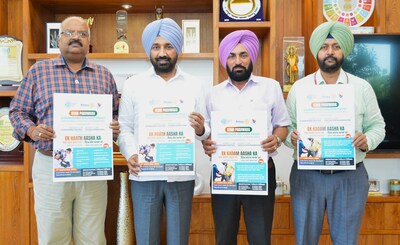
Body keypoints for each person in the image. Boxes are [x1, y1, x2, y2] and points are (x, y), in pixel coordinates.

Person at [8, 16, 120, 245]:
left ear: (89, 41)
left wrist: (115, 126)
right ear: (58, 39)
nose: (76, 37)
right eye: (69, 33)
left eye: (82, 34)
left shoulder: (104, 75)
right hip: (50, 165)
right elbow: (16, 112)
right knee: (52, 238)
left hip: (92, 165)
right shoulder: (39, 71)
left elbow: (116, 114)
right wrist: (31, 131)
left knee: (93, 238)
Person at [284, 22, 385, 245]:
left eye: (336, 46)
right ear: (316, 51)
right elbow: (287, 127)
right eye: (324, 46)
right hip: (307, 176)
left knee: (347, 241)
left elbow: (378, 126)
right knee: (304, 240)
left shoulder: (361, 87)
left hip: (349, 176)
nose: (330, 52)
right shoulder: (299, 88)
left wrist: (367, 140)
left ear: (344, 51)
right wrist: (291, 138)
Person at [118, 18, 210, 245]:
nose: (162, 53)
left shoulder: (195, 84)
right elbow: (124, 128)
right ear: (149, 50)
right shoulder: (133, 84)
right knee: (146, 239)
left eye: (168, 46)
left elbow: (206, 130)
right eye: (156, 47)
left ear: (177, 49)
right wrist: (131, 154)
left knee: (179, 239)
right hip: (145, 174)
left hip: (181, 175)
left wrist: (201, 129)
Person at [202, 30, 290, 245]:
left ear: (252, 57)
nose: (238, 61)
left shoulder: (271, 87)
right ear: (225, 60)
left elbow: (283, 125)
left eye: (243, 55)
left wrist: (276, 140)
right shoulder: (212, 93)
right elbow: (205, 132)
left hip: (259, 172)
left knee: (260, 238)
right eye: (231, 56)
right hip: (224, 174)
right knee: (224, 237)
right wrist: (207, 143)